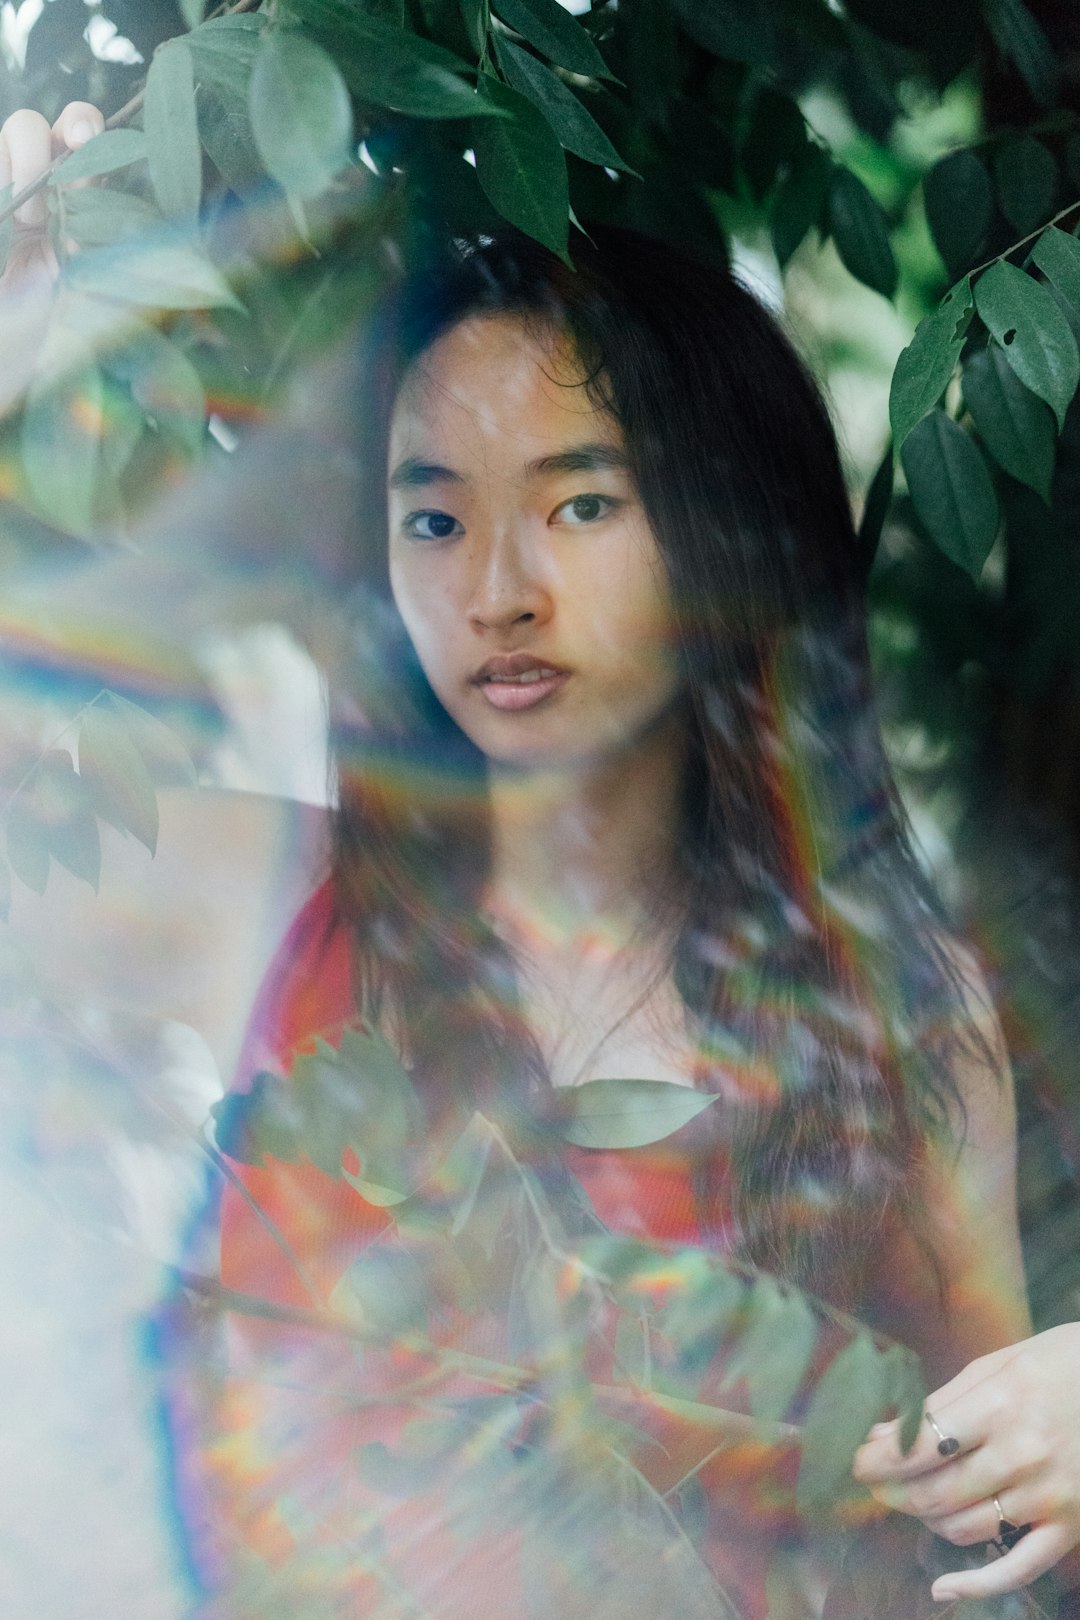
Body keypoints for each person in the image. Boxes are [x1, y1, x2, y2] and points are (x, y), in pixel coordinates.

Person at [3, 102, 1079, 1616]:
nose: (497, 590)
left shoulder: (903, 1009)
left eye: (579, 502)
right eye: (433, 517)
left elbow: (981, 1531)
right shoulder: (269, 906)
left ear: (719, 531)